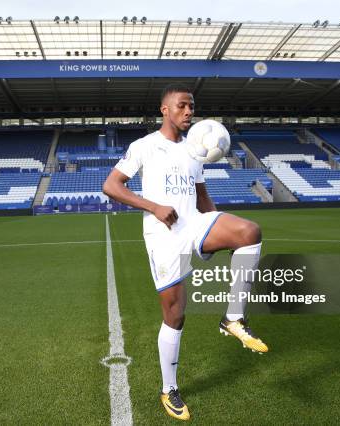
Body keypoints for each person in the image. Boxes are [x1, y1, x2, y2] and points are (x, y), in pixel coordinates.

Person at [103, 83, 268, 421]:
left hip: (194, 224)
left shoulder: (196, 151)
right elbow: (111, 186)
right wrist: (153, 206)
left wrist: (220, 228)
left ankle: (233, 318)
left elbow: (203, 197)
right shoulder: (145, 146)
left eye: (192, 106)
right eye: (182, 106)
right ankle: (169, 389)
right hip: (164, 236)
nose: (189, 112)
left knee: (249, 232)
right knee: (175, 316)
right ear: (165, 109)